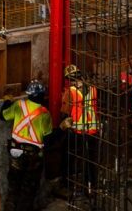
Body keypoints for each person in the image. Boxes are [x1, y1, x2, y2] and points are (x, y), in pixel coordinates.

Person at [2, 79, 53, 211]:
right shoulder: (44, 113)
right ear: (42, 95)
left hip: (15, 151)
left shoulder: (19, 105)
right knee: (28, 190)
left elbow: (3, 116)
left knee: (13, 186)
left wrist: (7, 101)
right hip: (32, 156)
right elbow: (48, 137)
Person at [59, 65, 99, 196]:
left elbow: (65, 112)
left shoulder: (70, 91)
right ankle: (91, 187)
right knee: (91, 160)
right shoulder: (93, 88)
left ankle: (67, 185)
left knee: (69, 157)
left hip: (77, 131)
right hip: (93, 129)